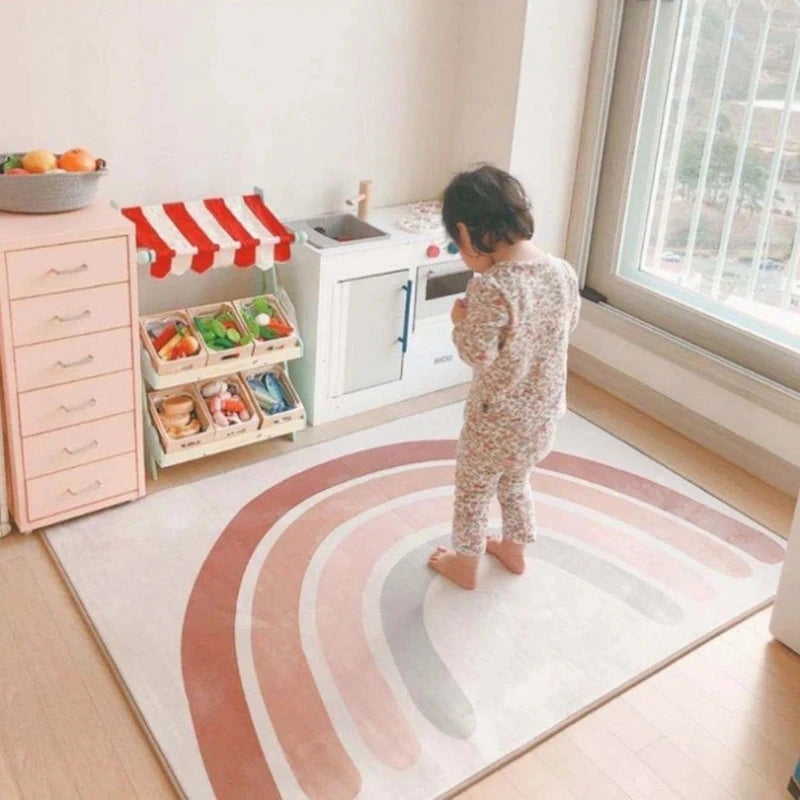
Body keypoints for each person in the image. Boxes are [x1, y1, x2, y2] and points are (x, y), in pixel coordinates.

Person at [428, 165, 580, 589]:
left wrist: (460, 320)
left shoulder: (492, 287)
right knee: (516, 482)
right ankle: (514, 549)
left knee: (474, 491)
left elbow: (477, 353)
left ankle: (465, 563)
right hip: (543, 419)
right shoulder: (561, 272)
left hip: (495, 423)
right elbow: (566, 327)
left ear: (466, 231)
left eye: (455, 243)